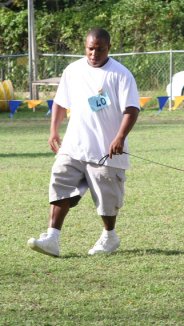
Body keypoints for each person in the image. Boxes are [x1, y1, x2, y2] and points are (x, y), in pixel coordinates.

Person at [27, 28, 140, 257]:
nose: (94, 53)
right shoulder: (73, 70)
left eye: (100, 49)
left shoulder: (120, 74)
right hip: (74, 145)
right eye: (90, 48)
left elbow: (131, 109)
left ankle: (109, 236)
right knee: (60, 183)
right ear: (85, 47)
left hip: (106, 150)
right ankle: (52, 238)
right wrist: (53, 132)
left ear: (109, 48)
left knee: (107, 198)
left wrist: (119, 137)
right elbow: (60, 102)